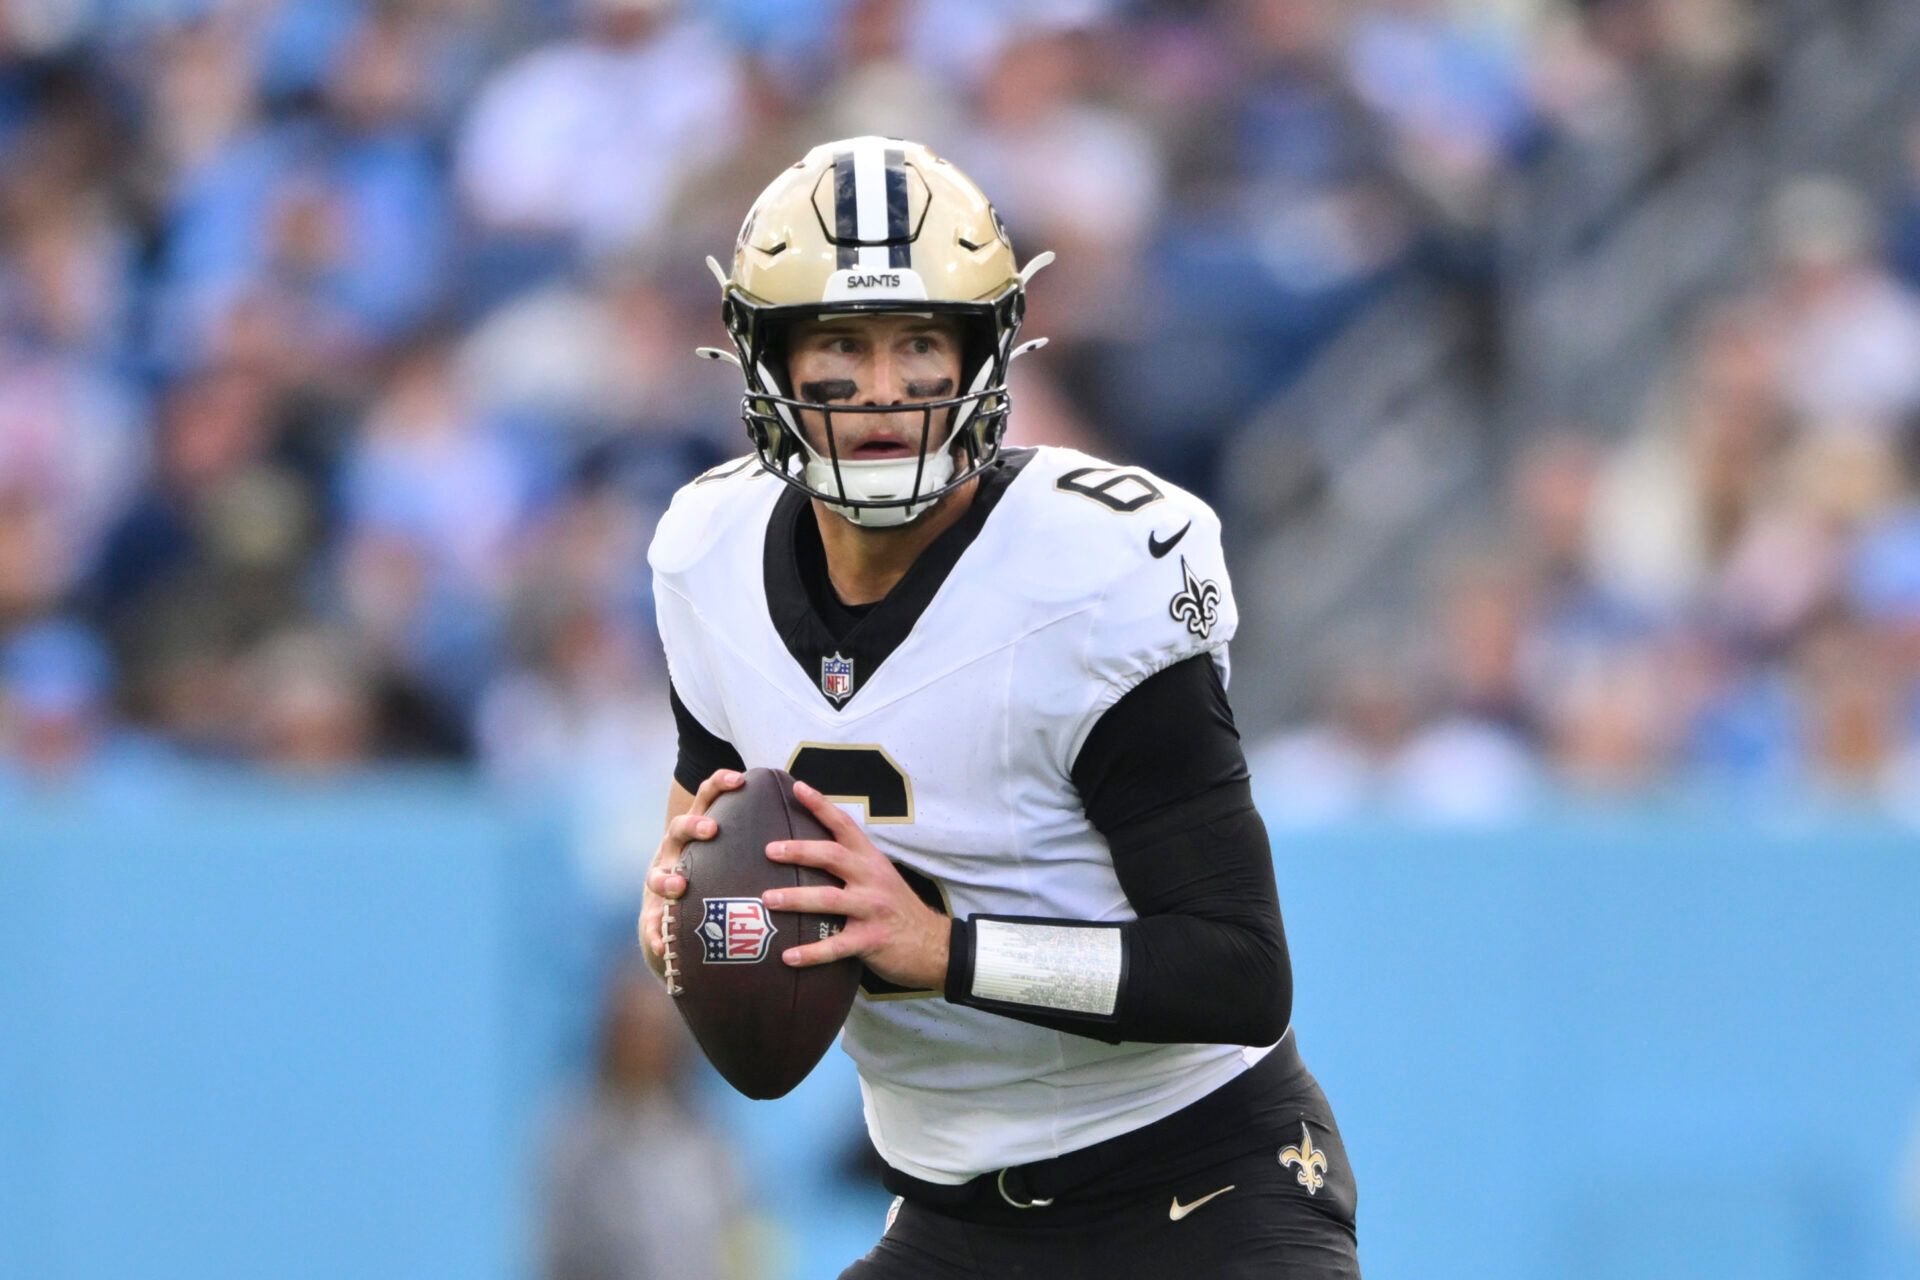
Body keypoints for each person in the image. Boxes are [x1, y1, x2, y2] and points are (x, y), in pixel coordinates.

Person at [639, 137, 1361, 1278]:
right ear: (764, 358)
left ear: (987, 351)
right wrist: (674, 910)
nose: (881, 388)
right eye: (840, 344)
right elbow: (703, 814)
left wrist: (944, 948)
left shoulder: (1088, 574)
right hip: (951, 1217)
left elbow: (1238, 969)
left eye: (919, 342)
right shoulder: (705, 554)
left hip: (1197, 1190)